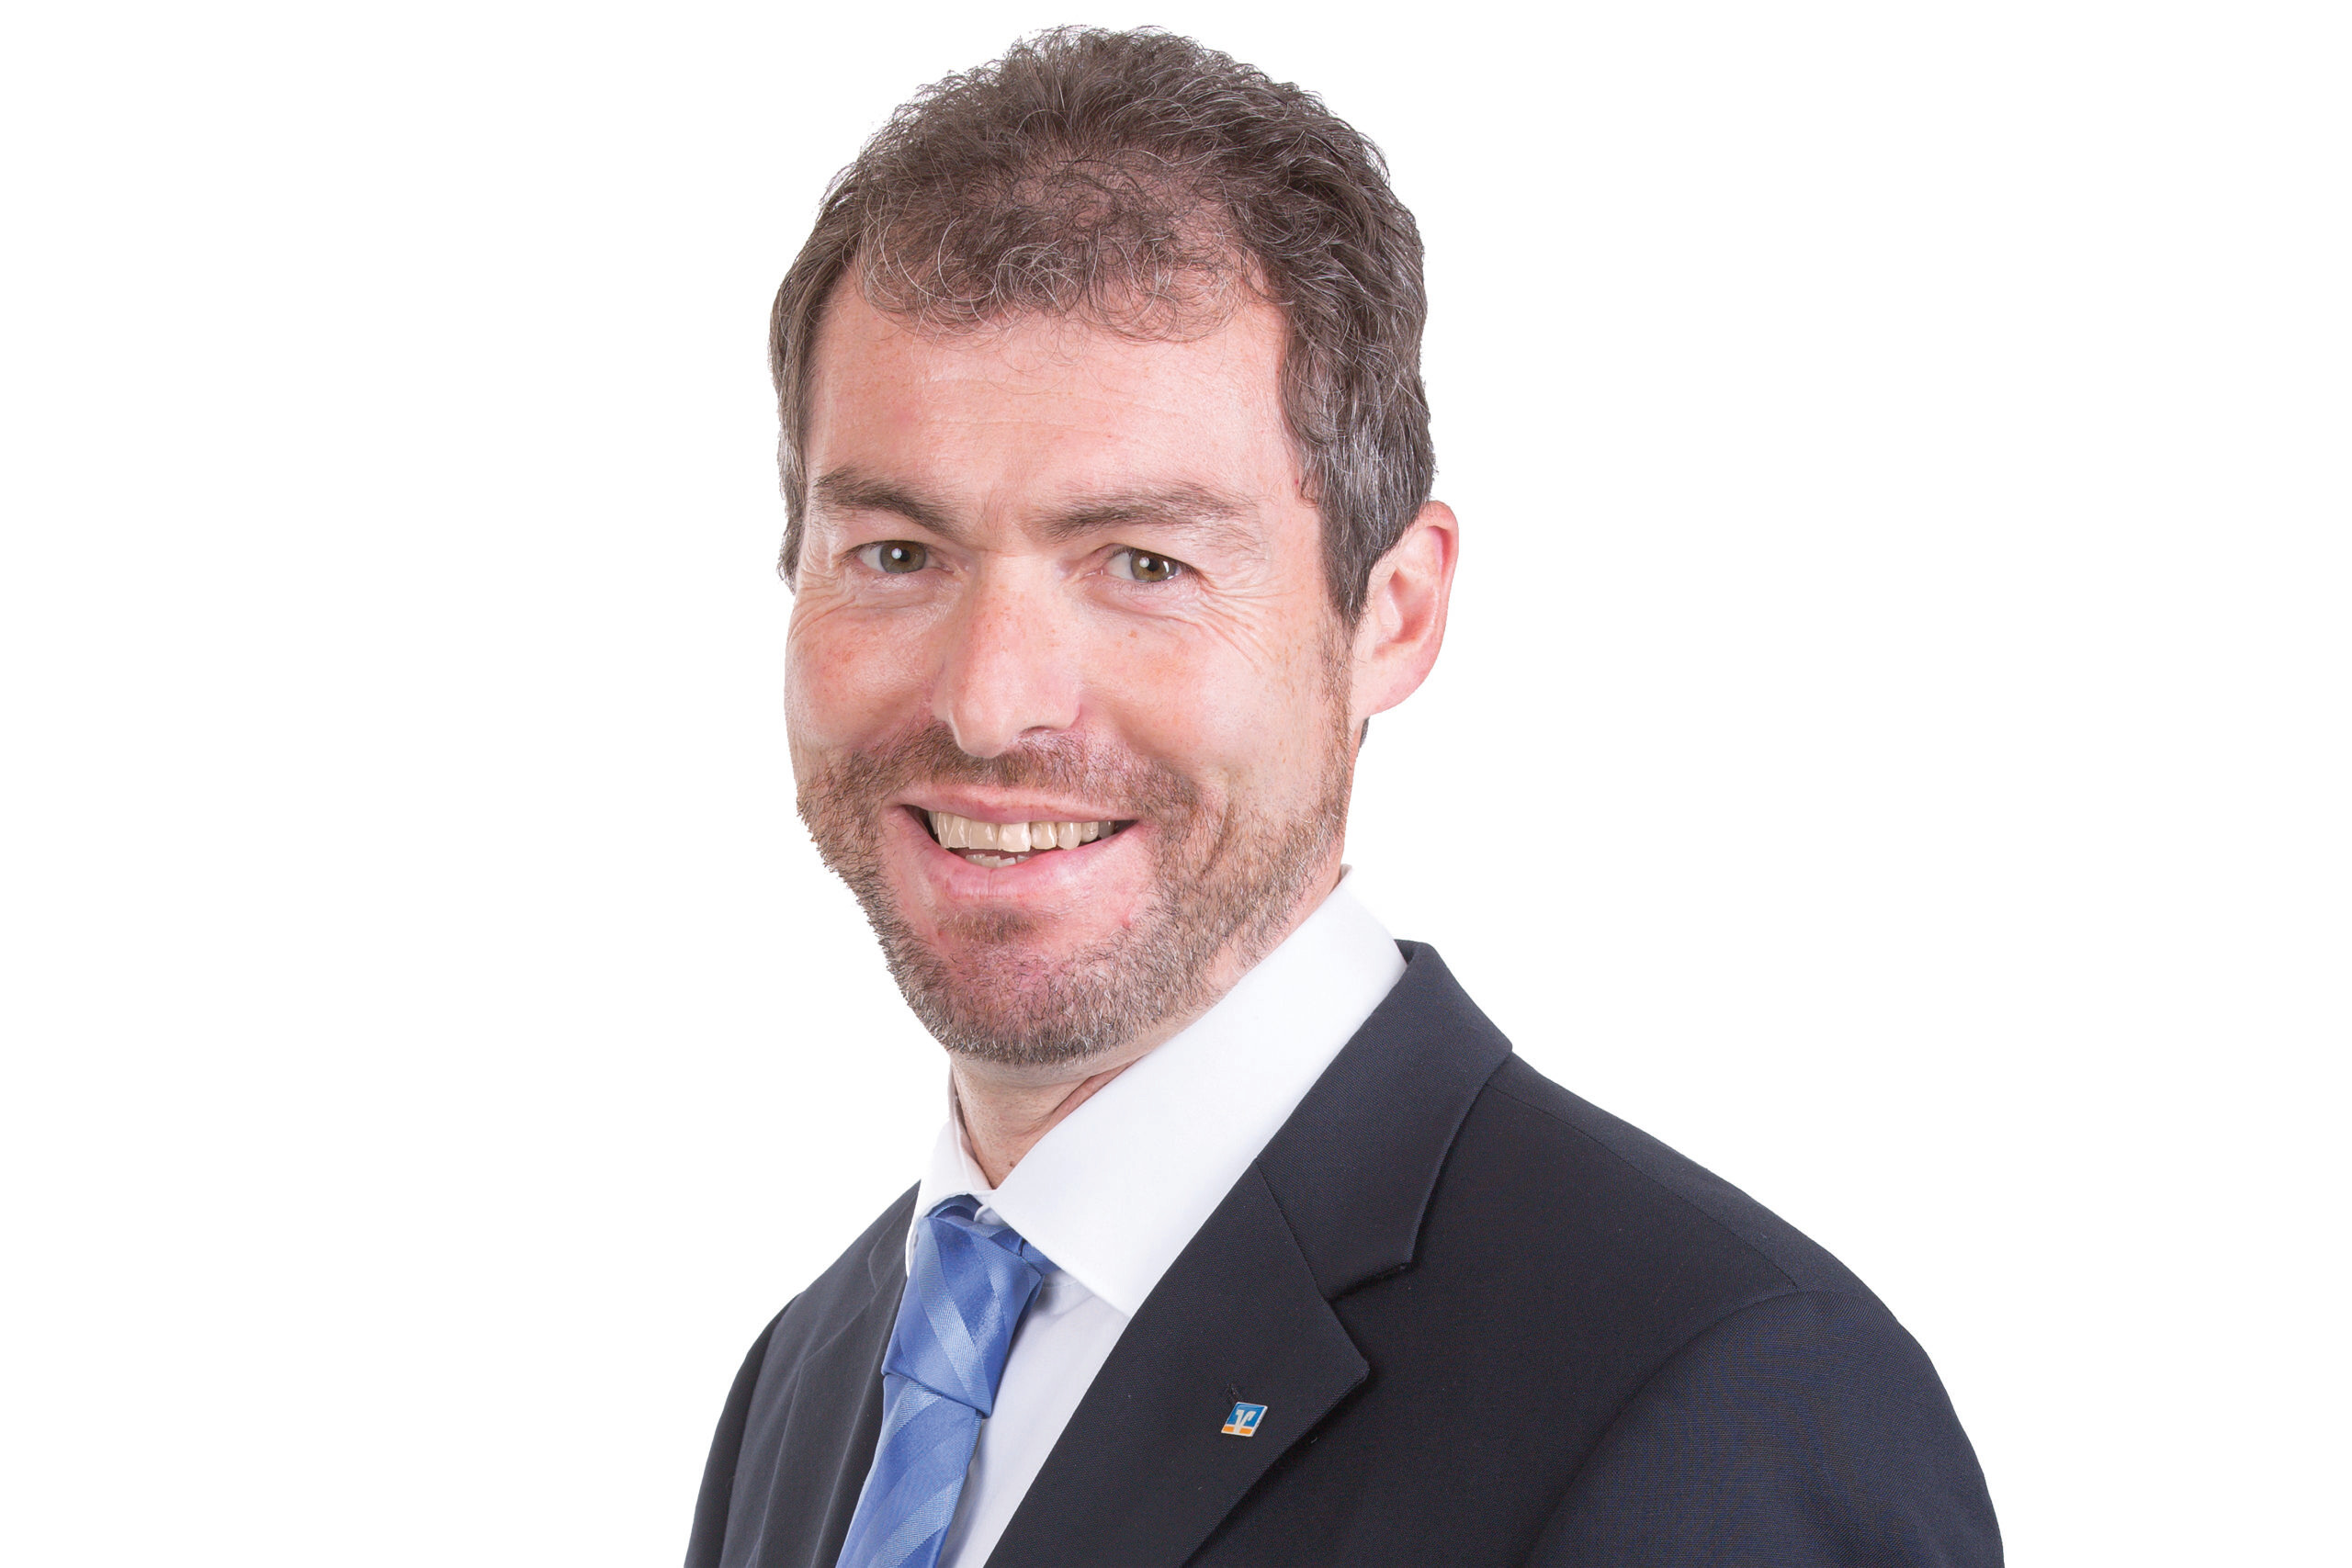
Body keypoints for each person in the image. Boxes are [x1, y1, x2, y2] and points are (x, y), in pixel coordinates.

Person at [688, 27, 2000, 1568]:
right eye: (897, 554)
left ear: (1393, 612)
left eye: (1145, 564)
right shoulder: (809, 1384)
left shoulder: (1717, 1400)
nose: (990, 700)